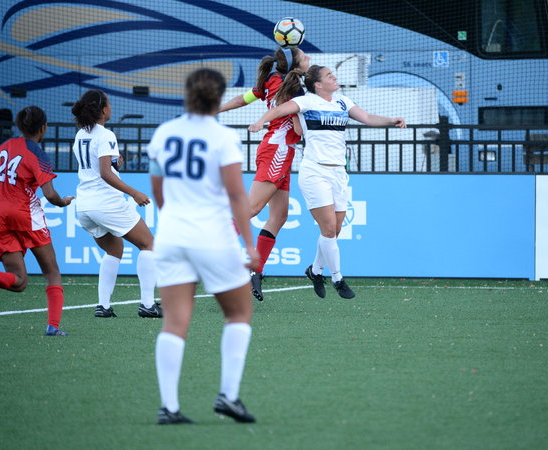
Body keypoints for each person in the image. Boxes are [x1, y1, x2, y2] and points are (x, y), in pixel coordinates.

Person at [149, 68, 260, 424]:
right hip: (212, 236)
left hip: (171, 235)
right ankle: (228, 396)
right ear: (219, 97)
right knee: (238, 314)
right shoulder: (223, 137)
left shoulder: (164, 132)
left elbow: (157, 190)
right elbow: (237, 195)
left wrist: (174, 221)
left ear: (187, 94)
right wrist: (250, 245)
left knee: (174, 322)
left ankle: (169, 408)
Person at [249, 65, 406, 299]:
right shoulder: (307, 102)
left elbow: (367, 118)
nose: (334, 77)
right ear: (318, 84)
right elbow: (279, 109)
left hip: (338, 173)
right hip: (315, 172)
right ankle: (337, 278)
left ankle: (315, 271)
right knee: (329, 229)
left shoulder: (343, 101)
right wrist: (260, 121)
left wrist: (391, 120)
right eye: (329, 76)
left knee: (336, 229)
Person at [218, 47, 310, 301]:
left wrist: (217, 109)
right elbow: (297, 130)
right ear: (295, 65)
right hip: (278, 150)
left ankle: (254, 272)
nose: (309, 58)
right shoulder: (294, 88)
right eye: (305, 57)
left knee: (279, 216)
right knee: (251, 209)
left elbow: (243, 99)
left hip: (278, 150)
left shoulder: (272, 79)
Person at [0, 106, 73, 336]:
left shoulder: (3, 147)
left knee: (19, 282)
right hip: (26, 215)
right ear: (43, 127)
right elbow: (50, 194)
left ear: (19, 125)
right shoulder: (37, 153)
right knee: (52, 272)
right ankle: (53, 326)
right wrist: (62, 203)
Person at [71, 89, 161, 318]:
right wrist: (134, 193)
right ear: (103, 110)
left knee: (114, 249)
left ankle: (103, 306)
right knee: (148, 244)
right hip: (105, 202)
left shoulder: (81, 133)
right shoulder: (105, 134)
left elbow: (100, 168)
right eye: (109, 104)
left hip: (84, 205)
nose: (111, 108)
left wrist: (115, 165)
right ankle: (148, 305)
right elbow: (104, 173)